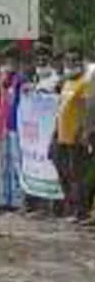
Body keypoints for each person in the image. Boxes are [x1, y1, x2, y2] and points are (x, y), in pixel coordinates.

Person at [55, 48, 90, 222]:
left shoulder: (85, 83)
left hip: (76, 136)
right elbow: (60, 109)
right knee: (67, 173)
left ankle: (81, 211)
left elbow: (86, 110)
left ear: (81, 61)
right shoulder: (67, 83)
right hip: (62, 136)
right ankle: (72, 208)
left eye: (76, 60)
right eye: (69, 60)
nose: (72, 63)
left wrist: (83, 131)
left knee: (78, 175)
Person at [0, 53, 24, 212]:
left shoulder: (20, 80)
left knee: (16, 164)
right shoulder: (2, 80)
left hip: (16, 127)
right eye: (7, 61)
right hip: (1, 126)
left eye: (12, 61)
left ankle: (17, 201)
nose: (9, 64)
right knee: (1, 165)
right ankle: (2, 200)